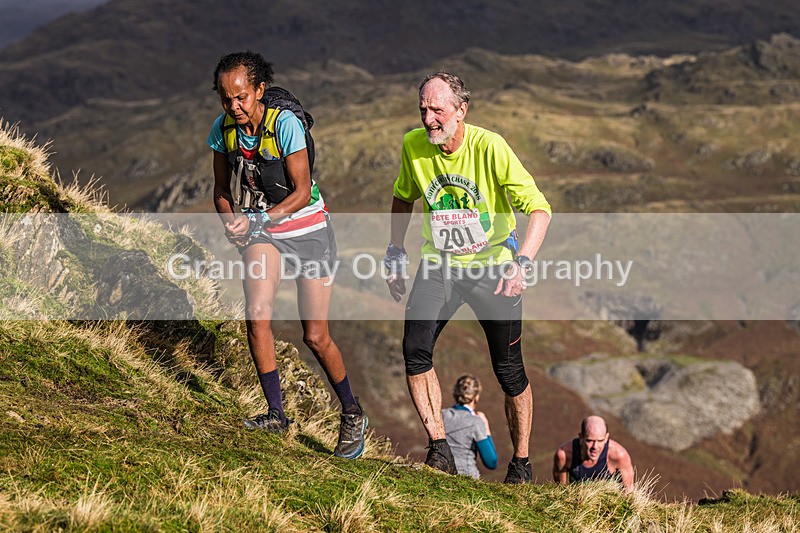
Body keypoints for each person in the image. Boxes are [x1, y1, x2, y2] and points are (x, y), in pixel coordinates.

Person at [385, 71, 552, 483]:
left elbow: (540, 208)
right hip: (439, 266)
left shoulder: (490, 147)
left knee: (509, 370)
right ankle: (439, 448)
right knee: (415, 350)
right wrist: (394, 250)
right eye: (423, 110)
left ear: (461, 111)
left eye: (437, 110)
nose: (428, 120)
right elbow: (403, 196)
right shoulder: (413, 145)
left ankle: (522, 464)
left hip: (493, 269)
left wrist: (522, 263)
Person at [208, 51, 367, 459]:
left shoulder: (286, 126)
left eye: (242, 97)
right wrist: (230, 223)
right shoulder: (222, 131)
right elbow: (222, 190)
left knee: (315, 335)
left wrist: (258, 221)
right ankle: (277, 414)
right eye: (226, 99)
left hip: (308, 230)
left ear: (260, 90)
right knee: (256, 315)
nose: (234, 106)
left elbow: (299, 191)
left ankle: (351, 412)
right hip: (264, 235)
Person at [552, 415, 635, 493]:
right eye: (590, 440)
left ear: (606, 438)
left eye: (600, 441)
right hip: (579, 503)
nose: (595, 447)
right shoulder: (564, 455)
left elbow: (628, 494)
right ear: (581, 437)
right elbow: (561, 491)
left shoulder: (619, 456)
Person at [442, 375, 498, 478]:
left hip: (440, 472)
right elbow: (491, 462)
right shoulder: (476, 422)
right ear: (476, 397)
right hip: (466, 475)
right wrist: (486, 427)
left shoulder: (442, 415)